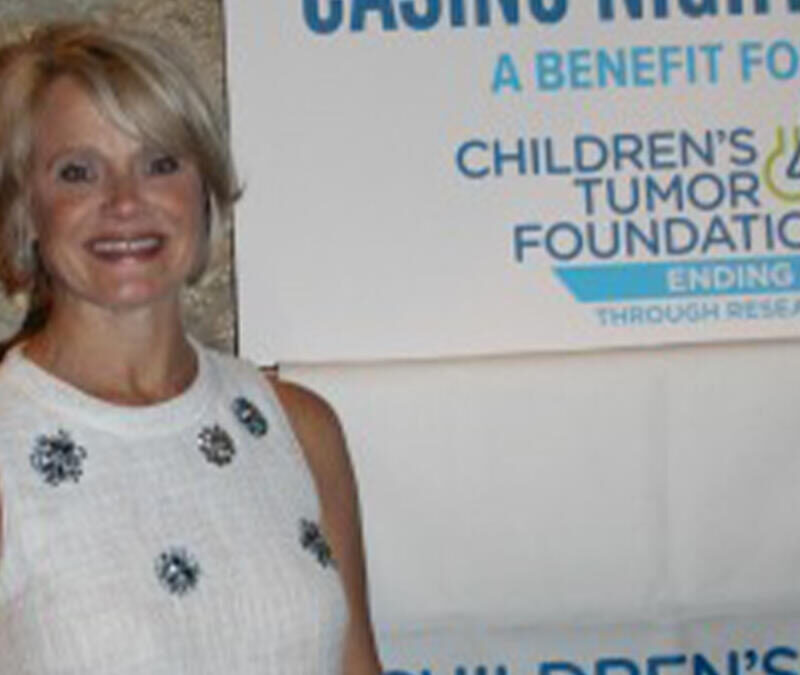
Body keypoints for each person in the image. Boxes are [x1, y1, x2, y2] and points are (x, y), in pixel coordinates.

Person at [0, 21, 382, 674]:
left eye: (160, 163)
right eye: (77, 172)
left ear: (204, 192)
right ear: (27, 209)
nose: (124, 201)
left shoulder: (300, 428)